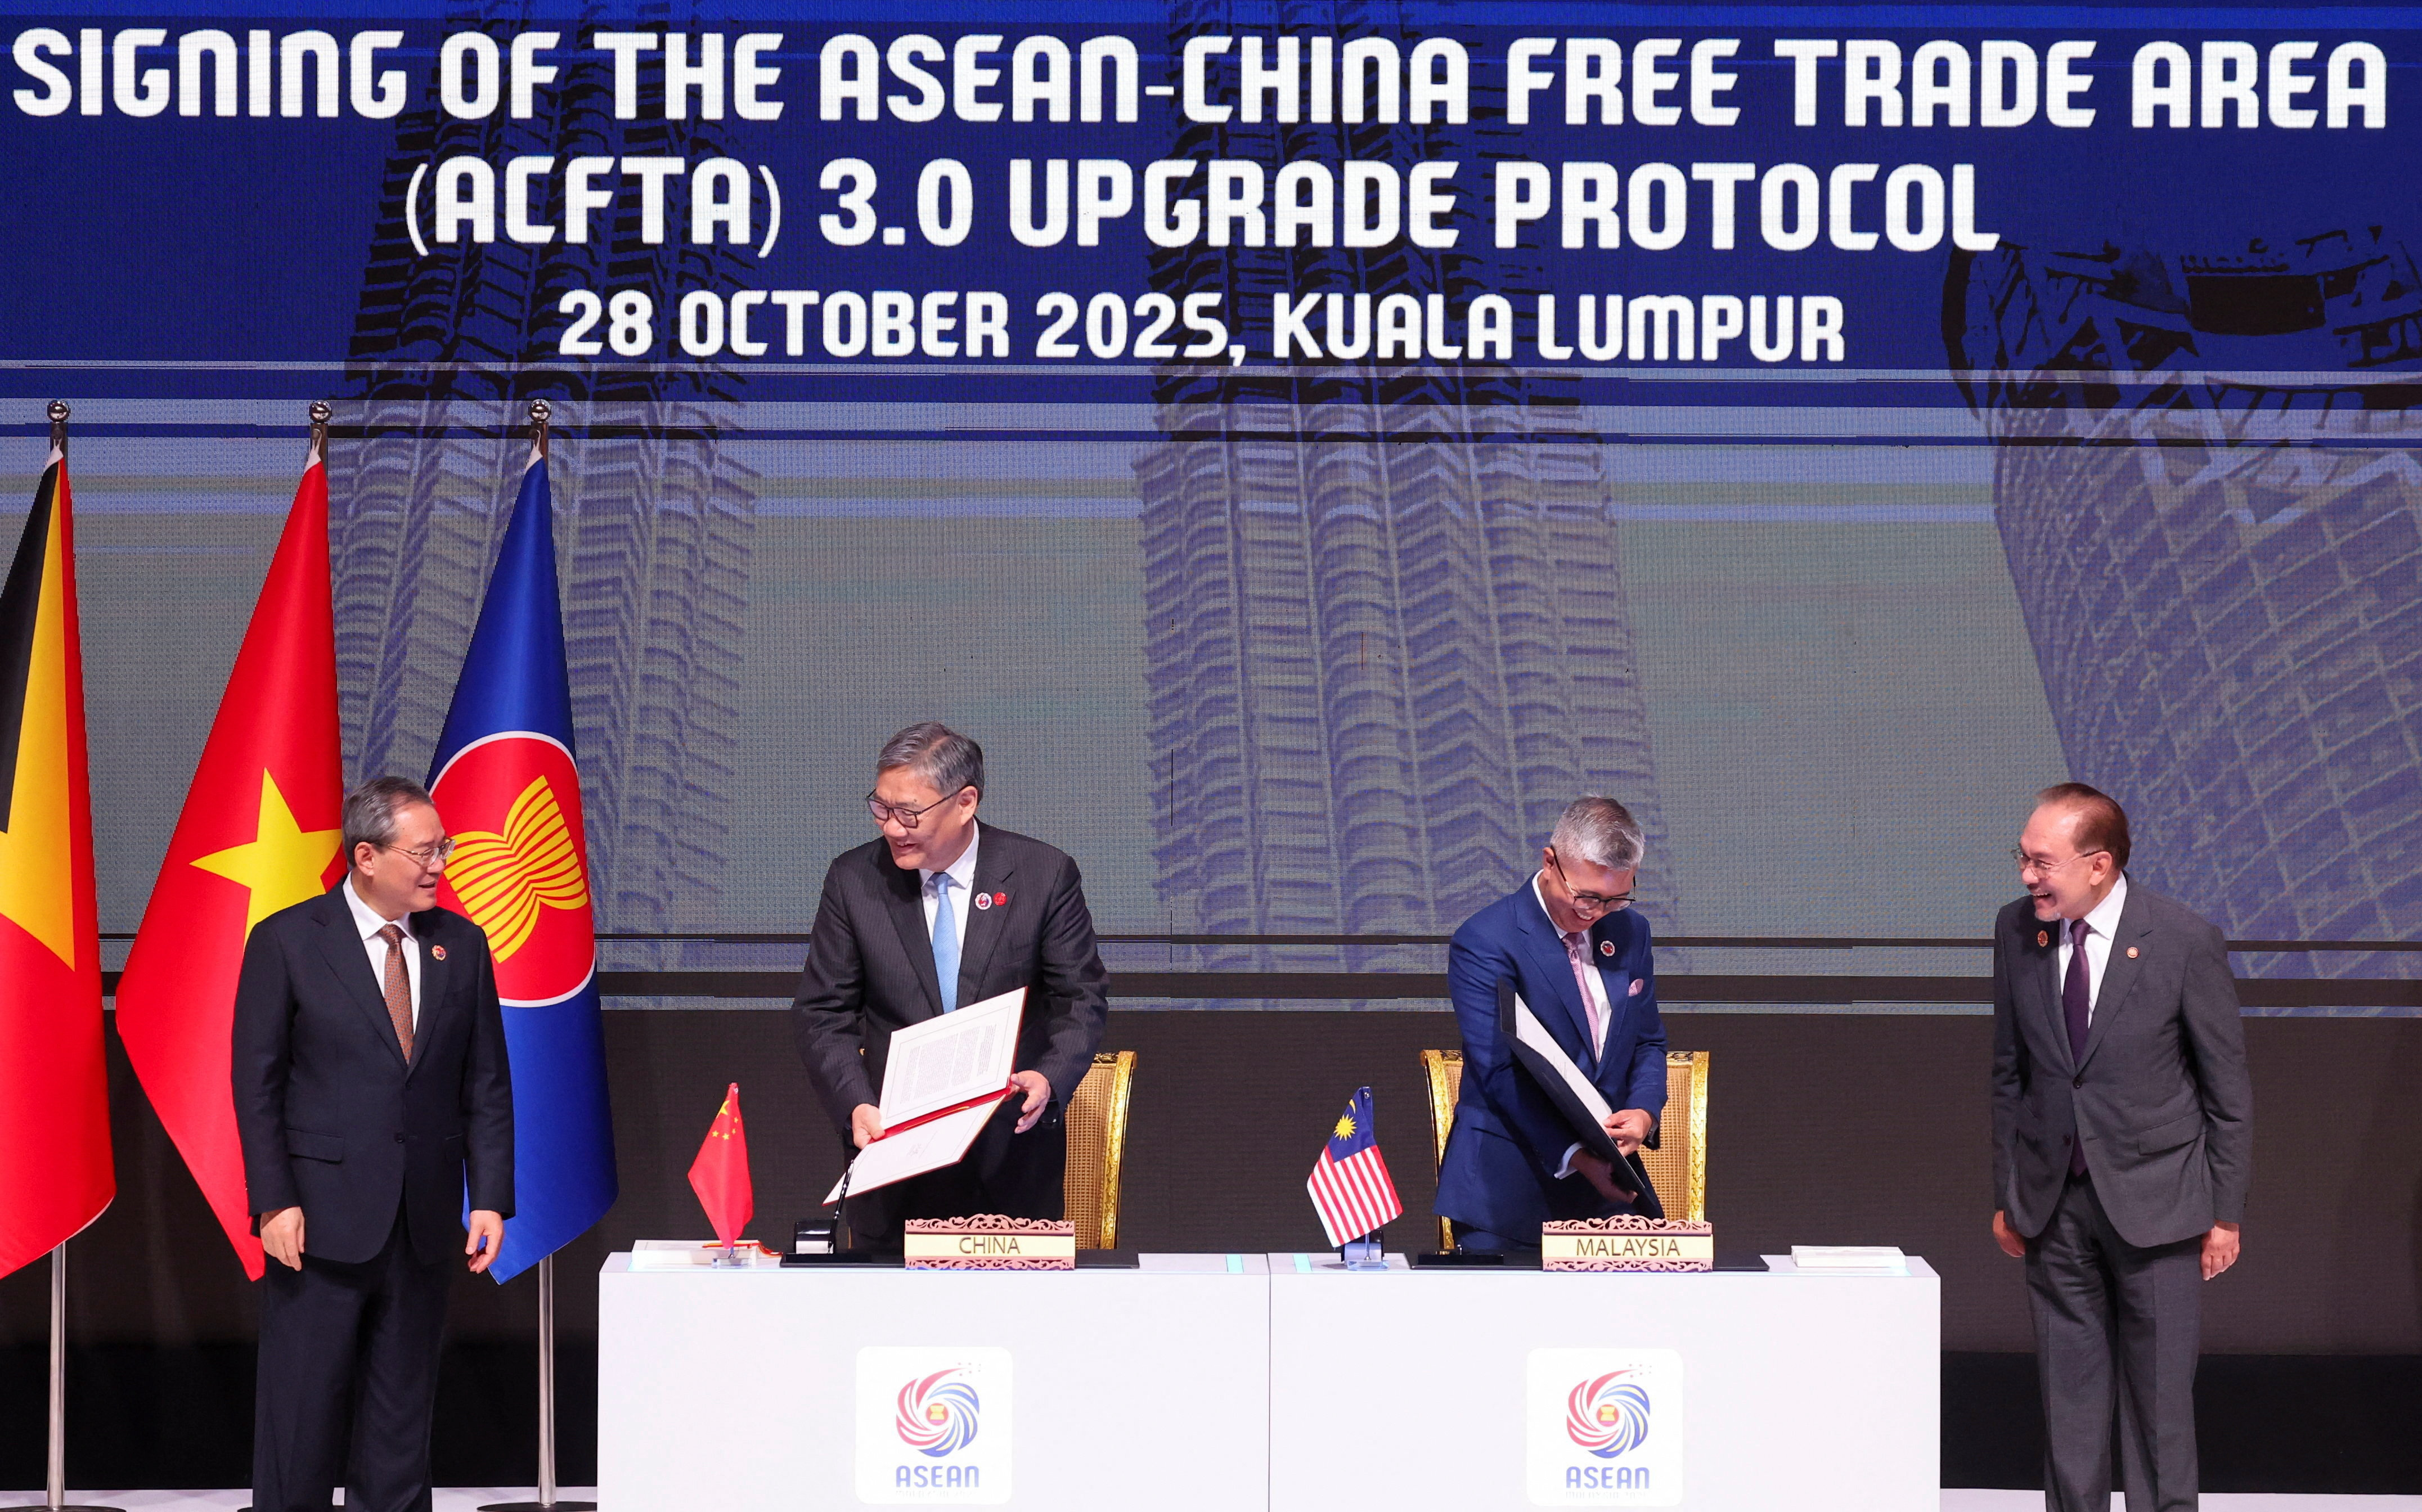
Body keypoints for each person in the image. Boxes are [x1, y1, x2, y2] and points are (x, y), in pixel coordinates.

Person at [231, 775, 514, 1512]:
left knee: (399, 1422)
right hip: (317, 1223)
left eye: (443, 848)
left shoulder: (463, 945)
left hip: (421, 1221)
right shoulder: (289, 942)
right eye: (424, 851)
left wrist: (490, 1198)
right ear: (365, 856)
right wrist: (273, 1201)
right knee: (302, 1418)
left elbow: (486, 1082)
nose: (439, 865)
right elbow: (256, 1087)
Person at [1990, 782, 2252, 1512]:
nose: (2026, 876)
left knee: (2159, 1411)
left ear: (2098, 865)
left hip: (2159, 1206)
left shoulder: (2181, 938)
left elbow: (2225, 1089)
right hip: (2053, 1207)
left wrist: (2224, 1212)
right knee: (2068, 1406)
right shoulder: (2017, 931)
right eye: (2023, 858)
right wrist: (2008, 1193)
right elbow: (2009, 1073)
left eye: (2041, 861)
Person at [792, 722, 1109, 1246]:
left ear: (965, 802)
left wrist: (1050, 1077)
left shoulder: (1041, 874)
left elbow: (1082, 996)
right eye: (882, 808)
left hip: (1010, 1149)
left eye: (909, 812)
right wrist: (855, 1103)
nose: (894, 828)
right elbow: (821, 1013)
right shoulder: (854, 880)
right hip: (893, 1157)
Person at [1435, 795, 1668, 1254]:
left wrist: (1643, 1112)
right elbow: (1498, 1072)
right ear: (1549, 861)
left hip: (1608, 1194)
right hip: (1507, 1191)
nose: (1595, 912)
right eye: (1584, 896)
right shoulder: (1486, 940)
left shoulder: (1630, 931)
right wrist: (1577, 1157)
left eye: (1615, 898)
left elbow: (1647, 1042)